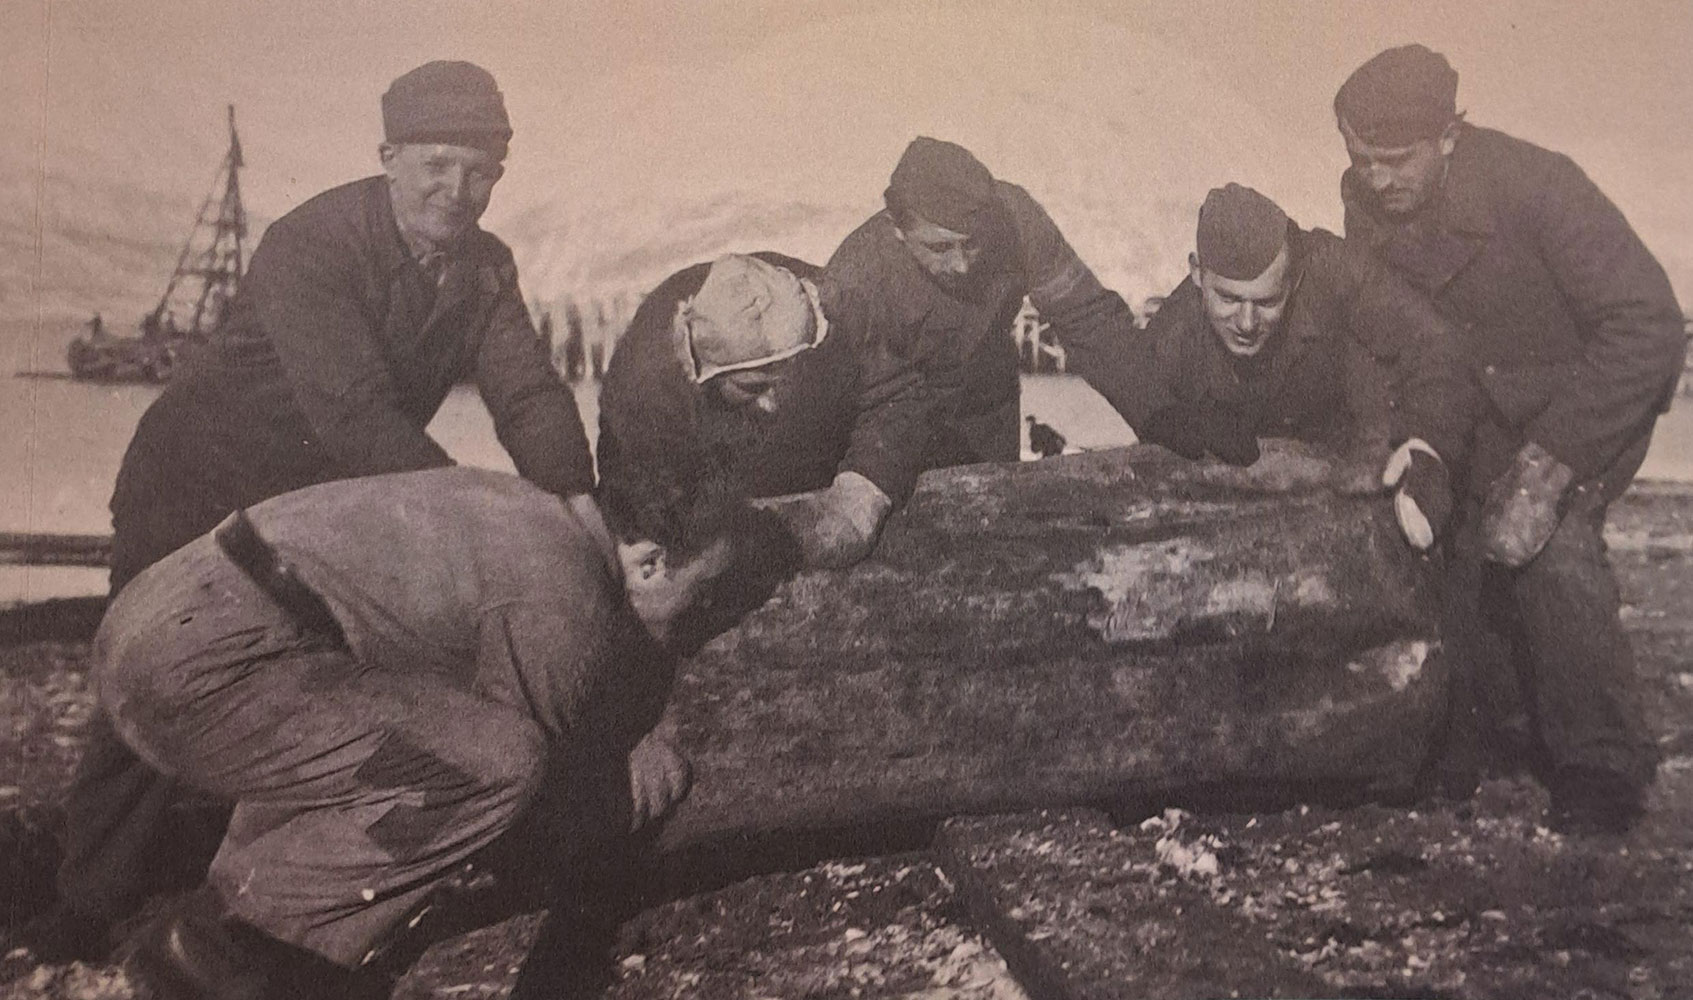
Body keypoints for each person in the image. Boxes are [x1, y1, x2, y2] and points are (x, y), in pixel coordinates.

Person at [21, 59, 596, 962]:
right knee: (152, 684)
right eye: (436, 165)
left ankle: (263, 885)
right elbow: (356, 415)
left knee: (323, 684)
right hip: (198, 483)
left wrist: (576, 505)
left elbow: (527, 393)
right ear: (389, 156)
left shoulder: (484, 269)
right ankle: (84, 907)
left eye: (481, 171)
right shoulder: (314, 241)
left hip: (321, 508)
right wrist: (484, 526)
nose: (458, 190)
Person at [91, 465, 764, 998]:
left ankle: (251, 909)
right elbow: (528, 817)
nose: (709, 615)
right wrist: (630, 783)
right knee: (496, 767)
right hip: (195, 671)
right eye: (705, 592)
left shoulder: (521, 504)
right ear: (648, 561)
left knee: (414, 737)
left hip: (157, 623)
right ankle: (223, 944)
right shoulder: (563, 595)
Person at [1334, 45, 1687, 832]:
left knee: (1546, 545)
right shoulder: (1366, 201)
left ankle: (1601, 766)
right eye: (1360, 160)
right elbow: (1380, 330)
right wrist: (1388, 442)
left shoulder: (1539, 186)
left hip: (1589, 397)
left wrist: (1553, 460)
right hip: (1479, 406)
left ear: (1449, 136)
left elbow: (1648, 326)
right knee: (1447, 551)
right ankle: (1499, 724)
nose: (1376, 179)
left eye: (1395, 160)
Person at [1116, 183, 1474, 555]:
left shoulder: (1332, 265)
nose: (1247, 322)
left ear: (1295, 276)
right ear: (1196, 273)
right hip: (1257, 491)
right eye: (1229, 299)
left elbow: (1434, 340)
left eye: (1268, 301)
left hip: (1364, 456)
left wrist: (1428, 442)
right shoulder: (1167, 345)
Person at [820, 136, 1145, 468]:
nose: (962, 265)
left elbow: (1091, 321)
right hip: (889, 425)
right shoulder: (855, 278)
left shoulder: (1016, 219)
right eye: (939, 249)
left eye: (973, 244)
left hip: (986, 406)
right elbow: (872, 407)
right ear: (897, 229)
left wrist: (1160, 416)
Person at [598, 252, 933, 568]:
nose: (774, 402)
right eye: (752, 387)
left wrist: (864, 488)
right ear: (706, 373)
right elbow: (635, 494)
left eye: (788, 374)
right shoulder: (647, 387)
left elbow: (899, 389)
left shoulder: (831, 303)